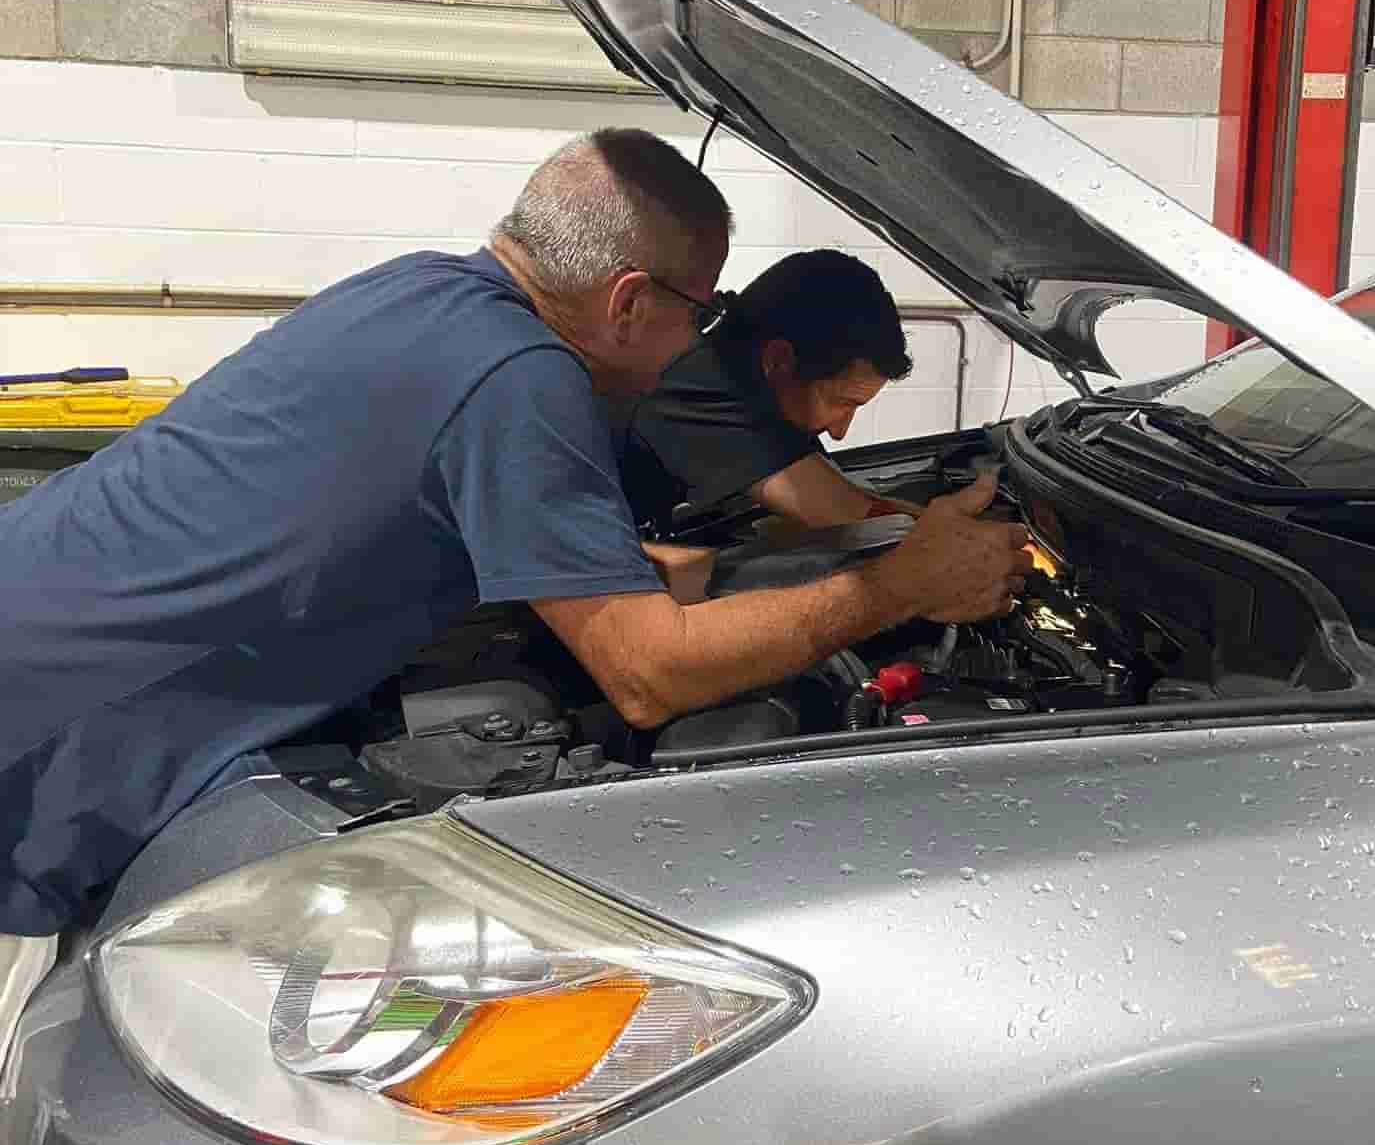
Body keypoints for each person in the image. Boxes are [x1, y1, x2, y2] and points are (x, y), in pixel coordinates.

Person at [0, 128, 1034, 949]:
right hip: (45, 733)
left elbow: (379, 515)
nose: (699, 340)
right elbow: (646, 678)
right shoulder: (520, 379)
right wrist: (900, 585)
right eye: (701, 311)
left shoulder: (420, 290)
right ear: (631, 301)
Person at [619, 250, 920, 538]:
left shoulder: (751, 365)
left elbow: (838, 490)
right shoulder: (699, 383)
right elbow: (851, 513)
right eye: (841, 403)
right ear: (778, 360)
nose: (839, 430)